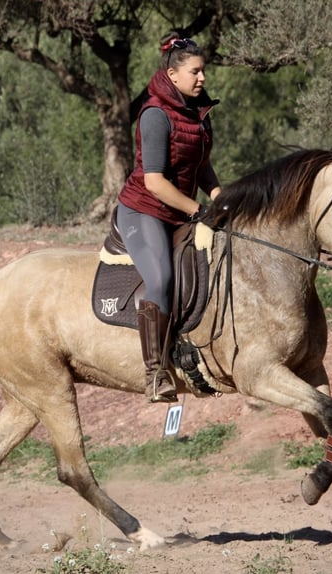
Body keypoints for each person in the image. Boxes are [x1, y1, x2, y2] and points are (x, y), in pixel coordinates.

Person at [116, 33, 222, 403]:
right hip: (145, 211)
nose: (202, 78)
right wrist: (197, 209)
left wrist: (219, 195)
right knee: (160, 279)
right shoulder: (155, 115)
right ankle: (155, 372)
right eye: (195, 72)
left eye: (203, 71)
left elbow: (201, 167)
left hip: (180, 211)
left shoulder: (198, 112)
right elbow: (156, 183)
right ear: (173, 75)